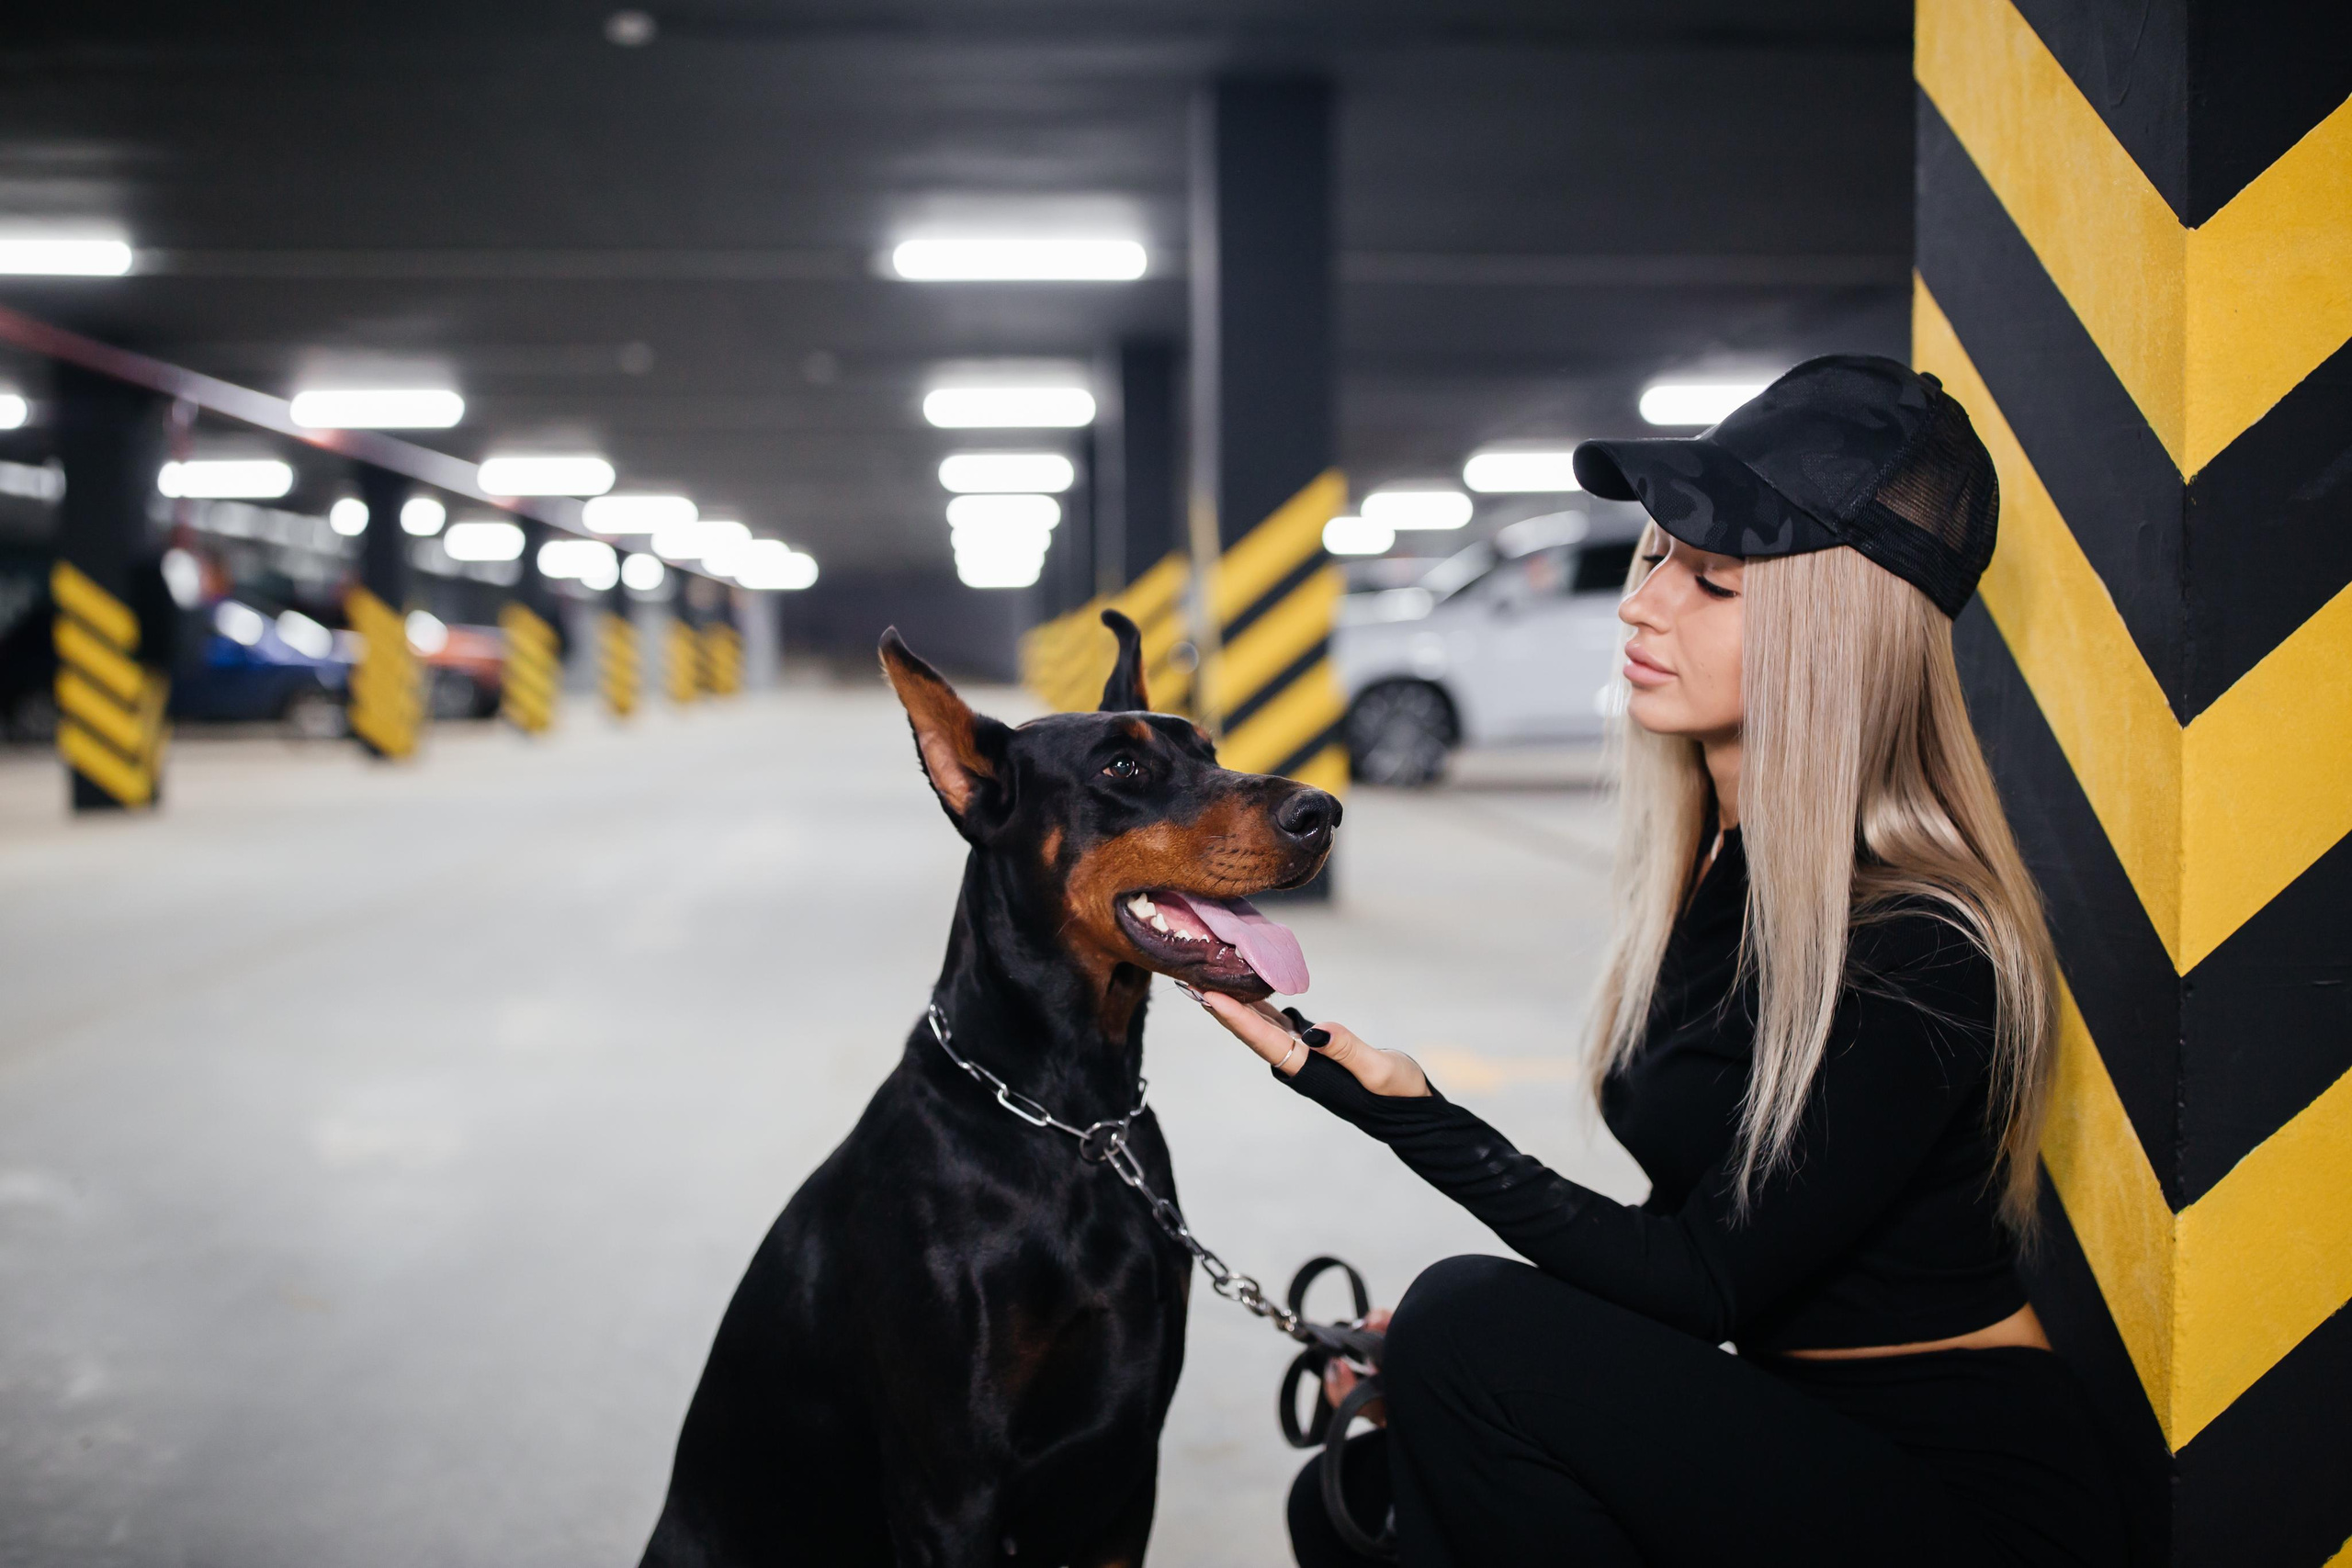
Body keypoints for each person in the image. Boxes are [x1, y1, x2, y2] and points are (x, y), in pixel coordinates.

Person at [1186, 356, 2126, 1566]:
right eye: (1656, 560)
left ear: (1830, 633)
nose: (1643, 605)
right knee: (1353, 1498)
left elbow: (1706, 1282)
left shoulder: (1921, 937)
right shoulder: (1718, 865)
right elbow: (1716, 1226)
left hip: (1956, 1490)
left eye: (1714, 582)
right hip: (1797, 1424)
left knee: (1468, 1326)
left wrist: (1409, 1114)